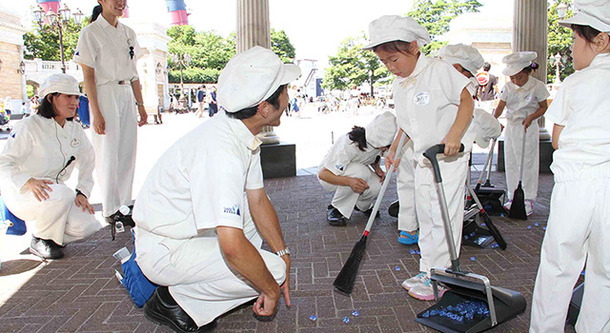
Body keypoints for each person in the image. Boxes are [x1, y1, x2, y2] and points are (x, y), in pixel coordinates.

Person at [133, 46, 300, 332]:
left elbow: (258, 198)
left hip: (184, 234)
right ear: (265, 108)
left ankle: (219, 287)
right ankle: (176, 301)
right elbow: (233, 248)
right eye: (284, 89)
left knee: (262, 249)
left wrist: (281, 250)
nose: (289, 95)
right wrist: (272, 289)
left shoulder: (238, 130)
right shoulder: (222, 151)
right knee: (270, 271)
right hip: (166, 249)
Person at [363, 15, 474, 301]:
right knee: (425, 213)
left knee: (443, 215)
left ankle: (445, 273)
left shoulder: (439, 70)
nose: (389, 67)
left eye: (393, 59)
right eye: (384, 62)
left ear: (413, 47)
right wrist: (394, 149)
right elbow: (406, 123)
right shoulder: (401, 84)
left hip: (448, 157)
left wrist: (455, 134)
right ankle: (429, 269)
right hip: (422, 157)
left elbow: (466, 100)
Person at [530, 2, 610, 332]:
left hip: (577, 182)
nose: (573, 47)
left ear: (601, 41)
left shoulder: (577, 82)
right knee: (605, 271)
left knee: (559, 266)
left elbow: (559, 138)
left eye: (577, 38)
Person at [0, 74, 101, 260]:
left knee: (89, 226)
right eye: (68, 96)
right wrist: (28, 181)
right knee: (63, 194)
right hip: (23, 192)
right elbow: (4, 162)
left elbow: (88, 160)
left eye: (77, 97)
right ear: (50, 98)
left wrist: (82, 192)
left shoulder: (75, 129)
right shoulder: (28, 126)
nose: (74, 102)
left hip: (55, 195)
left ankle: (52, 235)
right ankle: (40, 239)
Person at [73, 0, 148, 230]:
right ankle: (110, 208)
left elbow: (134, 74)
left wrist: (141, 105)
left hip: (126, 91)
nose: (120, 3)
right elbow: (88, 76)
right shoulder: (90, 33)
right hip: (105, 92)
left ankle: (124, 204)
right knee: (107, 152)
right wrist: (96, 112)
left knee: (127, 151)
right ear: (101, 1)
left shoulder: (128, 32)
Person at [493, 52, 549, 216]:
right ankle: (512, 196)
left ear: (528, 72)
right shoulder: (509, 87)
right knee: (512, 160)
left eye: (520, 77)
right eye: (513, 78)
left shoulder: (537, 86)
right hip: (512, 126)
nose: (516, 81)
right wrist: (492, 120)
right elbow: (501, 106)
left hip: (528, 127)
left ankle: (527, 198)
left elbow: (543, 106)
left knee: (527, 162)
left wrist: (531, 117)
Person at [318, 112, 397, 226]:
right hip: (330, 177)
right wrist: (350, 182)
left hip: (354, 171)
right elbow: (323, 174)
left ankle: (361, 206)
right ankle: (337, 208)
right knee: (360, 172)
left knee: (377, 184)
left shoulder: (377, 144)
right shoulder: (348, 144)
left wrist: (377, 168)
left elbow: (374, 156)